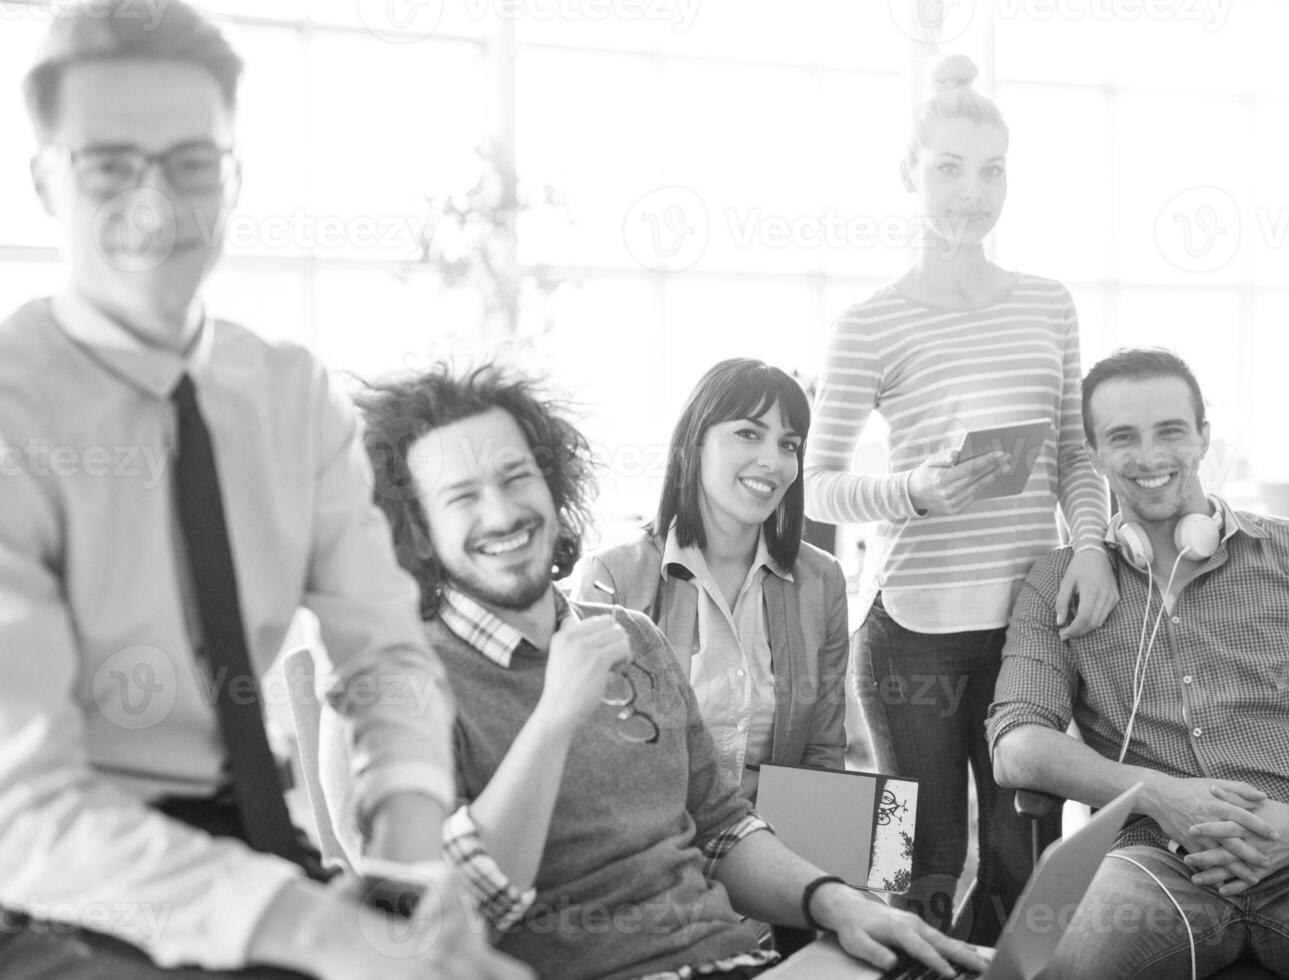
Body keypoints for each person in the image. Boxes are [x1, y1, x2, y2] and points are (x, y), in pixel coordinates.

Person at [0, 5, 525, 979]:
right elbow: (24, 809)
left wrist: (406, 870)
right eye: (110, 164)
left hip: (252, 847)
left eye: (193, 163)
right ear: (44, 183)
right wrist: (326, 932)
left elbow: (383, 653)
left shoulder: (290, 396)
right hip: (39, 890)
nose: (157, 206)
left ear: (233, 177)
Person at [336, 361, 990, 980]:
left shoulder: (775, 590)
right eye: (460, 496)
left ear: (551, 483)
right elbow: (431, 924)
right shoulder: (407, 678)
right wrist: (556, 716)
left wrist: (836, 902)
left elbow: (727, 815)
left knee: (924, 866)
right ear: (417, 527)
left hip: (755, 891)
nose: (503, 513)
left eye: (516, 477)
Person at [987, 347, 1289, 978]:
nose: (1150, 457)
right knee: (1051, 963)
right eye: (1123, 437)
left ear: (1203, 438)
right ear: (1095, 453)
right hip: (1153, 863)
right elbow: (1016, 744)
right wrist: (1160, 796)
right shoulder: (1060, 584)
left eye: (1170, 431)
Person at [804, 52, 1117, 939]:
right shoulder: (869, 323)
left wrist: (1090, 544)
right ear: (910, 174)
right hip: (910, 638)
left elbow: (1070, 451)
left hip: (1030, 624)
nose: (971, 193)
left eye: (991, 171)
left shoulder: (1048, 305)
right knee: (917, 866)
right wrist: (917, 491)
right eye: (948, 169)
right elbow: (817, 481)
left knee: (1029, 863)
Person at [574, 358, 848, 802]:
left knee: (897, 857)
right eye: (749, 433)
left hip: (775, 834)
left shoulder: (822, 580)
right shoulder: (613, 577)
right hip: (658, 834)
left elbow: (823, 755)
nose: (772, 461)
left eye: (789, 444)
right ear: (694, 443)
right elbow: (598, 758)